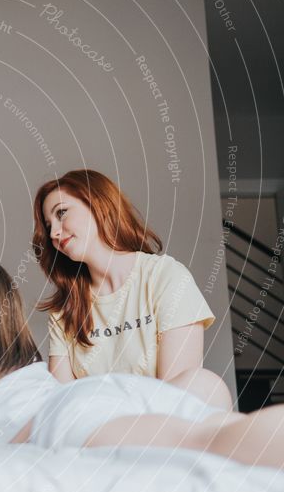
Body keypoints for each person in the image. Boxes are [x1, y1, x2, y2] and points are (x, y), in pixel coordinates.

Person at [0, 259, 284, 472]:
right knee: (215, 421)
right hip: (93, 394)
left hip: (58, 421)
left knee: (205, 442)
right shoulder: (27, 361)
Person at [31, 169, 231, 410]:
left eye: (61, 213)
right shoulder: (64, 312)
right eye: (48, 225)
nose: (53, 233)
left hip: (161, 424)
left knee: (205, 386)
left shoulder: (166, 276)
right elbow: (62, 404)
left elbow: (177, 397)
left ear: (99, 204)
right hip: (98, 430)